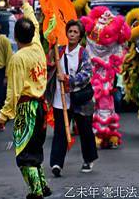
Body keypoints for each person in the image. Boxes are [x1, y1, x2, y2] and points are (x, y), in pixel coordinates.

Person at [0, 0, 51, 199]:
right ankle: (42, 185)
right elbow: (33, 22)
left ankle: (35, 190)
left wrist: (3, 116)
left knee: (25, 154)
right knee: (35, 149)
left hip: (27, 109)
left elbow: (14, 92)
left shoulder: (18, 58)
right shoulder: (37, 48)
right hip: (41, 107)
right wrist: (25, 3)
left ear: (15, 37)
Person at [46, 20, 98, 176]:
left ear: (80, 36)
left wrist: (68, 79)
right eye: (70, 32)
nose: (72, 34)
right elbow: (49, 66)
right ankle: (56, 163)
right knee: (60, 132)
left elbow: (87, 74)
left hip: (80, 99)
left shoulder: (83, 53)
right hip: (60, 100)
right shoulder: (59, 51)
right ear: (66, 33)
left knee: (85, 131)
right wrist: (51, 47)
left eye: (76, 32)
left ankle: (88, 159)